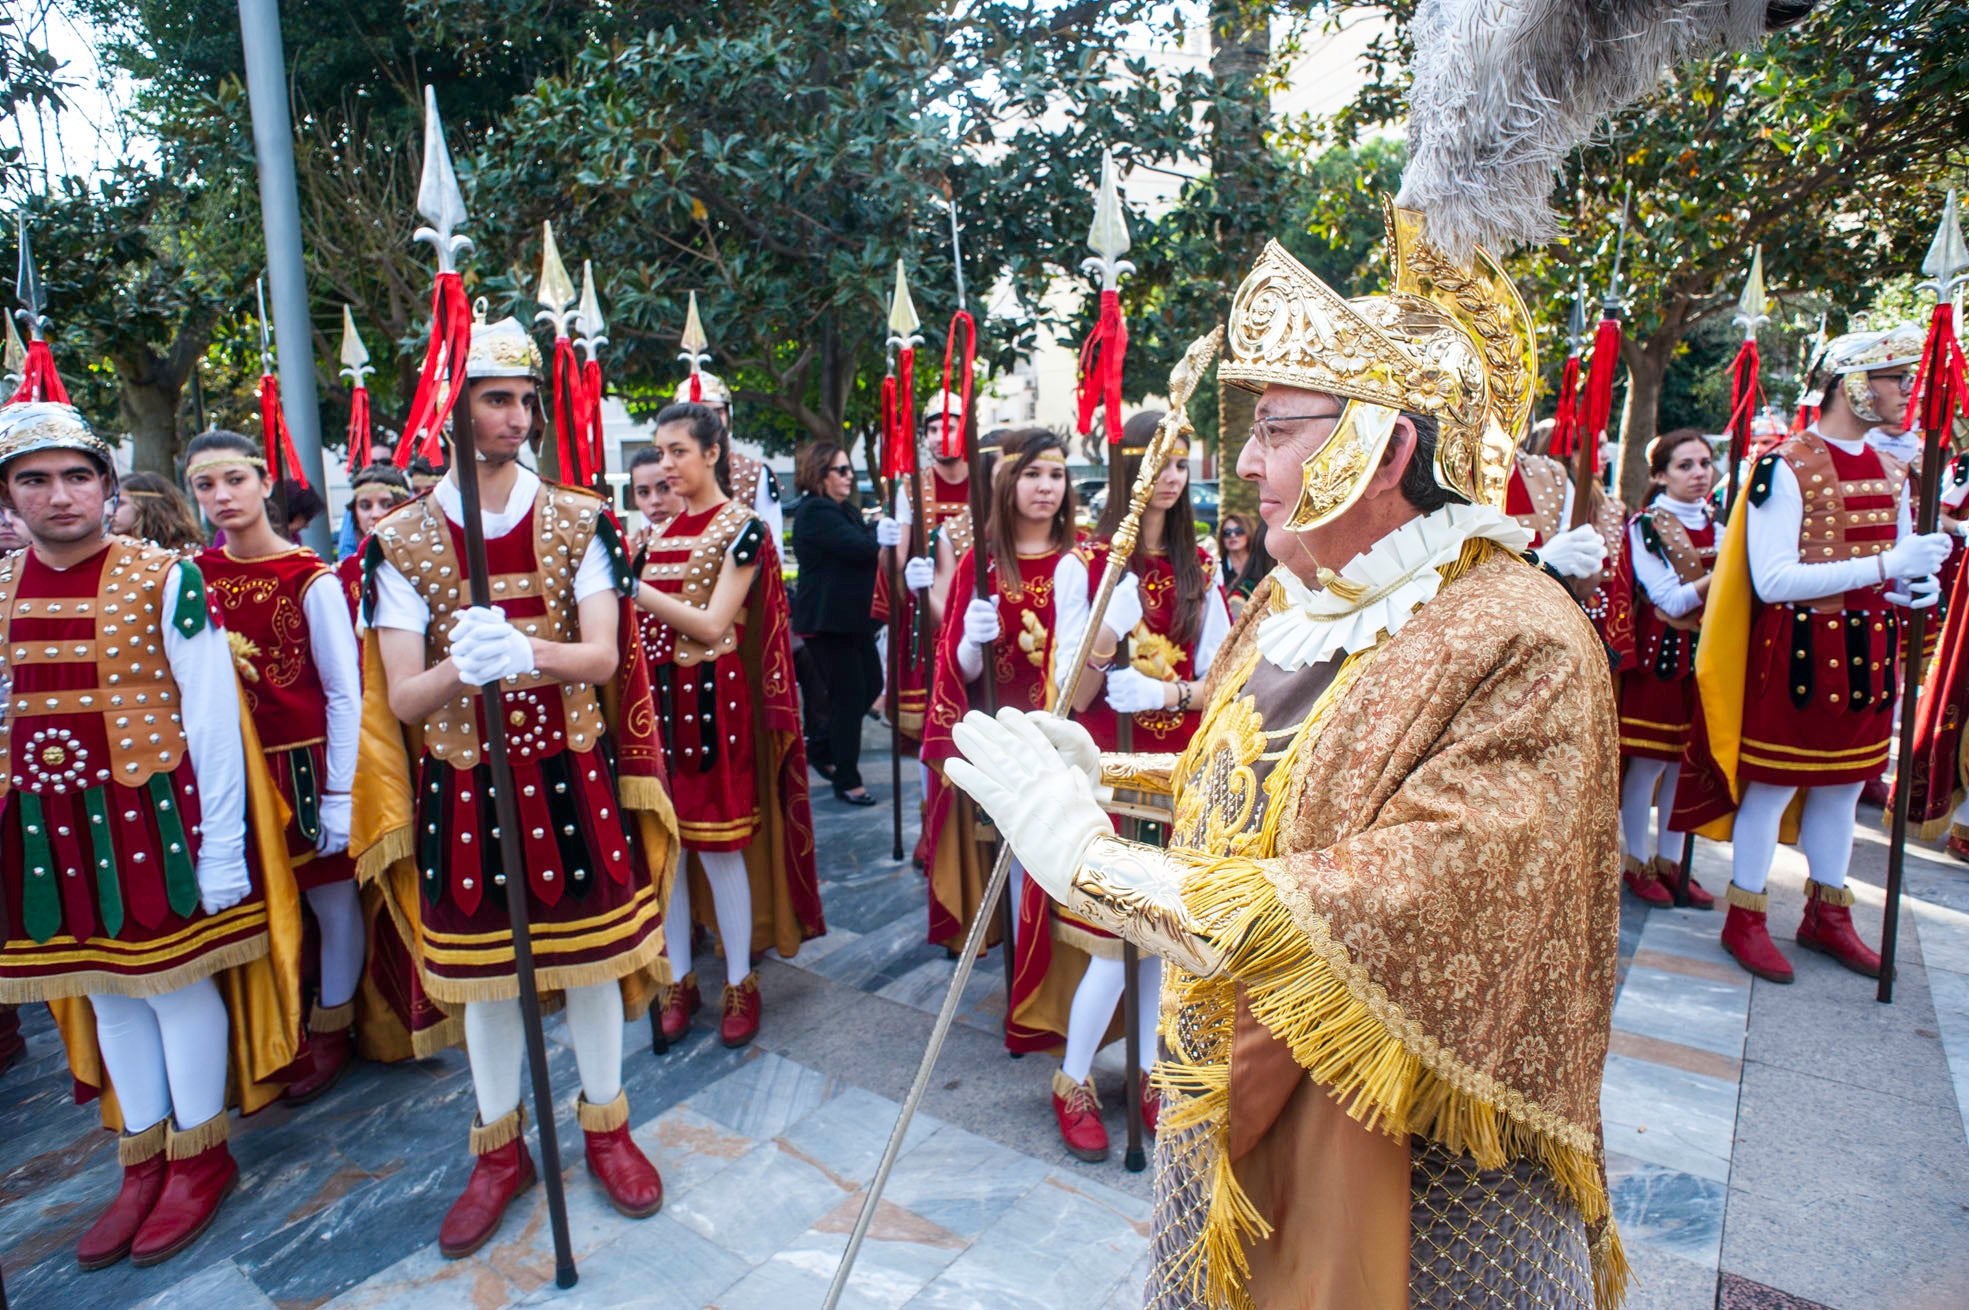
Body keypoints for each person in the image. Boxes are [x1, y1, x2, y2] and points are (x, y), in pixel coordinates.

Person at [946, 220, 1630, 1308]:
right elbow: (1259, 787)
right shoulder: (1291, 590)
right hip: (1228, 1074)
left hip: (1414, 1170)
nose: (1247, 461)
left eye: (1274, 428)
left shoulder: (1520, 636)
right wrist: (1109, 773)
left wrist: (1090, 862)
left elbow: (1381, 894)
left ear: (1390, 451)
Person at [354, 315, 677, 1257]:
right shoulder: (403, 539)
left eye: (526, 398)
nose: (519, 416)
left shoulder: (581, 517)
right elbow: (408, 699)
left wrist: (526, 650)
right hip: (462, 782)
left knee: (592, 958)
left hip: (570, 773)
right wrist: (466, 667)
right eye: (497, 398)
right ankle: (499, 1150)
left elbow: (603, 655)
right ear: (450, 409)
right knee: (488, 981)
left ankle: (607, 1124)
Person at [0, 401, 301, 1270]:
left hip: (152, 818)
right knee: (105, 994)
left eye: (76, 477)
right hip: (45, 823)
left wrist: (219, 849)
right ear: (11, 495)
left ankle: (201, 1155)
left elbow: (211, 718)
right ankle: (141, 1157)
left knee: (170, 987)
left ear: (103, 484)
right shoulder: (3, 585)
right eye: (35, 480)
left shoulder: (165, 576)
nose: (59, 496)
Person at [1675, 329, 1951, 983]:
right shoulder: (1785, 463)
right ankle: (1744, 915)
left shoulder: (1893, 470)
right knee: (1769, 790)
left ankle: (1826, 914)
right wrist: (1889, 560)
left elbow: (1896, 569)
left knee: (1843, 788)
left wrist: (1917, 580)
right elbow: (1772, 581)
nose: (1906, 392)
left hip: (1868, 655)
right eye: (1893, 378)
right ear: (1853, 382)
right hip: (1799, 657)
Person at [1004, 413, 1232, 1159]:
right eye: (1155, 462)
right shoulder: (1085, 564)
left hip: (1175, 769)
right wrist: (1108, 637)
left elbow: (1225, 677)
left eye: (1177, 463)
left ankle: (1143, 1069)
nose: (1169, 477)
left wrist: (1170, 696)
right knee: (1112, 939)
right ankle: (1072, 1079)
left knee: (1161, 936)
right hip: (1110, 767)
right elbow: (1069, 694)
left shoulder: (1200, 561)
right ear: (1128, 467)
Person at [629, 402, 822, 1049]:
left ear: (712, 452)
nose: (666, 465)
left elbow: (713, 624)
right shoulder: (653, 536)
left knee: (718, 846)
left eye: (677, 450)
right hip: (657, 704)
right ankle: (680, 977)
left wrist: (631, 588)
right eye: (659, 452)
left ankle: (740, 979)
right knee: (672, 850)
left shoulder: (741, 529)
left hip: (713, 704)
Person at [187, 429, 366, 1102]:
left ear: (265, 483)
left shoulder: (309, 578)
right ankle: (275, 1021)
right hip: (230, 773)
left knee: (330, 897)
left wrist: (341, 791)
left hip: (305, 769)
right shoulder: (193, 579)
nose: (221, 496)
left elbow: (343, 691)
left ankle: (333, 1022)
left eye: (233, 480)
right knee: (261, 903)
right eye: (205, 486)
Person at [920, 429, 1077, 954]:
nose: (1045, 487)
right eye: (1032, 474)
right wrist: (969, 641)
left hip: (1075, 741)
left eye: (1055, 474)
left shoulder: (1087, 561)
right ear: (1008, 481)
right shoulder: (979, 566)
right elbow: (957, 674)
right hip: (1011, 746)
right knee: (1018, 865)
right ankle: (1024, 975)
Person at [1614, 431, 1718, 908]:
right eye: (1684, 466)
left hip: (1708, 656)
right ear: (1659, 475)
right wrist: (1726, 573)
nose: (1699, 473)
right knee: (1650, 763)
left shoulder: (1721, 524)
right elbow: (1669, 598)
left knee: (1686, 762)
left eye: (1705, 463)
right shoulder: (1647, 525)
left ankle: (1672, 862)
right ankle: (1636, 860)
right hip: (1662, 656)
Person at [790, 439, 883, 806]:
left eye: (850, 470)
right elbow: (861, 548)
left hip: (853, 622)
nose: (849, 477)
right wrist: (879, 531)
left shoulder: (842, 511)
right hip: (830, 622)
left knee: (869, 685)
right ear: (820, 475)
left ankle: (822, 746)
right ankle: (848, 778)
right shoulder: (815, 512)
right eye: (841, 470)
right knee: (849, 698)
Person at [675, 370, 784, 543]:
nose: (708, 421)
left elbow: (773, 548)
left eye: (717, 412)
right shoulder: (664, 473)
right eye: (697, 413)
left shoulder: (755, 474)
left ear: (728, 415)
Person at [334, 461, 412, 623]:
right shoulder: (340, 576)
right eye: (365, 506)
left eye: (387, 504)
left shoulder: (426, 562)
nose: (375, 514)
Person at [111, 471, 205, 556]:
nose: (109, 512)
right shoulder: (111, 551)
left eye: (120, 503)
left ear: (147, 506)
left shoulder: (189, 554)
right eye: (111, 503)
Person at [1217, 511, 1273, 618]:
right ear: (1222, 538)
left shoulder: (1261, 565)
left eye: (1238, 531)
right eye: (1227, 532)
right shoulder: (1217, 570)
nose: (1232, 535)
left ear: (1248, 533)